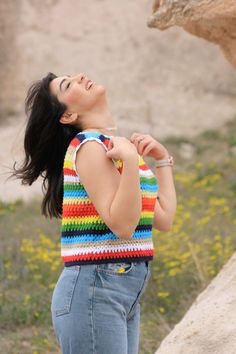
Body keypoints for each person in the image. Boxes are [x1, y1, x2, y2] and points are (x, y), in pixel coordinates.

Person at [11, 72, 177, 354]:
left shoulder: (116, 147)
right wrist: (128, 160)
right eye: (67, 85)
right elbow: (123, 226)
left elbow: (163, 219)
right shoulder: (89, 146)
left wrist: (162, 161)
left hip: (120, 292)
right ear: (67, 115)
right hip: (95, 290)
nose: (80, 77)